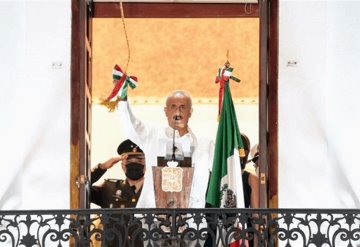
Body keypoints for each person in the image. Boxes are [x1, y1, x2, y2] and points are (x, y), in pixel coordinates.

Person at [117, 90, 214, 246]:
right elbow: (131, 126)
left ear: (191, 111)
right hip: (153, 220)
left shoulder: (206, 144)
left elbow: (222, 173)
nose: (177, 112)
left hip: (192, 221)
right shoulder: (152, 136)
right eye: (173, 107)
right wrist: (122, 100)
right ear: (165, 111)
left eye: (183, 107)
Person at [90, 139, 145, 247]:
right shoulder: (108, 188)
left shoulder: (154, 190)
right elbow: (81, 188)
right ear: (122, 165)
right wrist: (102, 167)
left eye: (139, 161)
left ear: (146, 164)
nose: (134, 164)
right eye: (129, 161)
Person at [240, 133, 259, 247]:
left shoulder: (251, 179)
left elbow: (256, 215)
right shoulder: (217, 178)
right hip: (220, 232)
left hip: (244, 233)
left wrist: (257, 243)